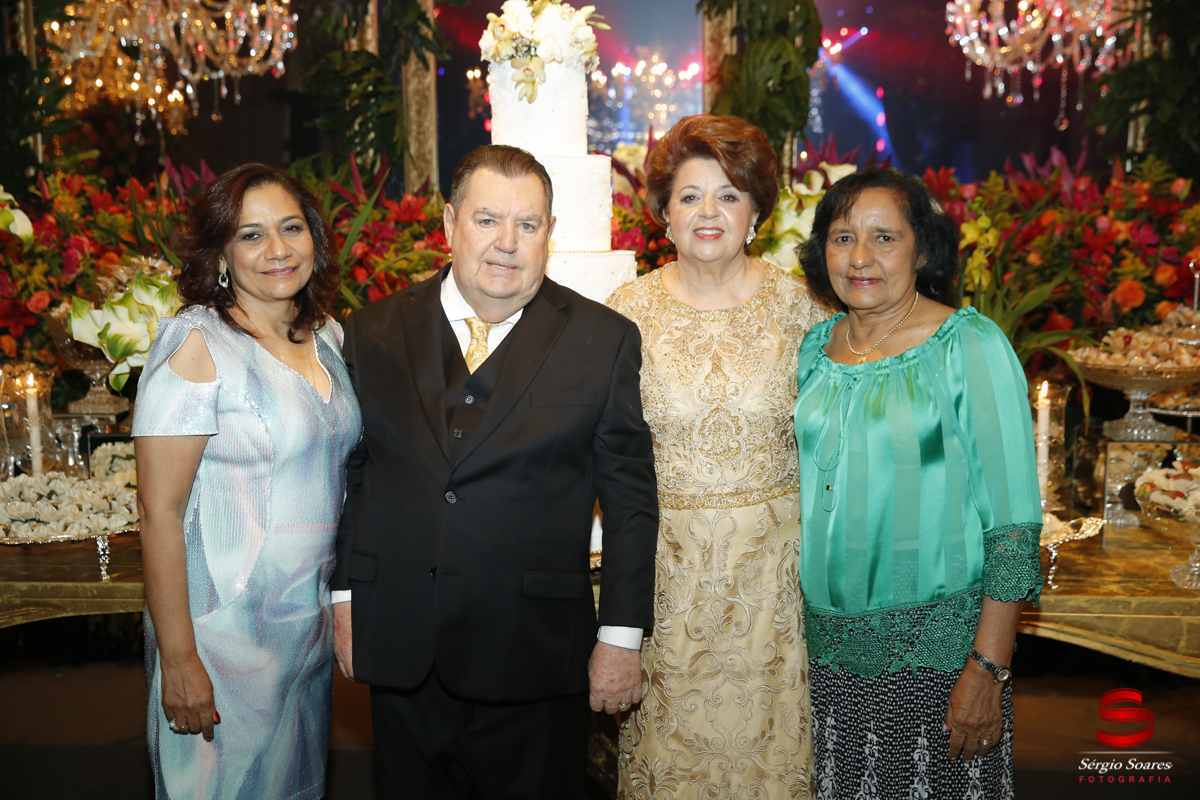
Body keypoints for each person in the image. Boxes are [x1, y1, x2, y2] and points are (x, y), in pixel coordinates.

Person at [331, 144, 659, 799]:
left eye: (528, 225)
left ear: (549, 235)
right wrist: (344, 600)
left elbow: (630, 501)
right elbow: (356, 477)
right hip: (403, 653)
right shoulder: (371, 331)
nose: (508, 243)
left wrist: (621, 638)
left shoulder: (603, 340)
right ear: (450, 223)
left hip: (534, 662)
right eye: (487, 220)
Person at [793, 167, 1043, 799]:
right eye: (842, 237)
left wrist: (988, 667)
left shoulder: (968, 346)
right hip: (825, 657)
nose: (860, 257)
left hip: (939, 656)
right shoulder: (813, 350)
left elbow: (1013, 524)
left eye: (884, 237)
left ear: (922, 249)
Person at [606, 114, 829, 799]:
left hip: (776, 593)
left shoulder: (807, 311)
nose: (710, 212)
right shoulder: (624, 315)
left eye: (729, 195)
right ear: (663, 214)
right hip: (669, 586)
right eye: (690, 195)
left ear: (756, 212)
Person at [133, 163, 362, 799]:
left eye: (291, 228)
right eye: (251, 235)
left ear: (314, 237)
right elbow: (159, 511)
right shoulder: (196, 343)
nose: (277, 250)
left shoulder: (328, 337)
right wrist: (179, 660)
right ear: (222, 253)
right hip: (219, 634)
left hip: (303, 632)